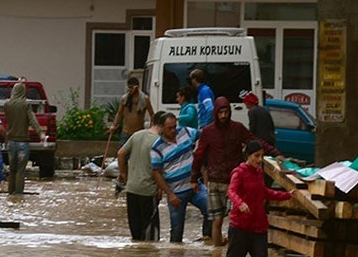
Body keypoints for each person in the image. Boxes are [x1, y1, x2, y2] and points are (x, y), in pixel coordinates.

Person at [191, 96, 285, 247]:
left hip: (234, 181)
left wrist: (275, 153)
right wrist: (194, 179)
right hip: (215, 181)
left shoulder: (238, 128)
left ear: (230, 112)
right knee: (217, 220)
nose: (223, 116)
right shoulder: (208, 132)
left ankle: (232, 250)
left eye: (226, 112)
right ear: (216, 113)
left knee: (234, 219)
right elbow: (199, 155)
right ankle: (217, 254)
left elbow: (255, 142)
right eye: (220, 112)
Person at [224, 140, 294, 257]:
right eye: (256, 156)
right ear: (248, 156)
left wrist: (287, 195)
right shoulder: (239, 172)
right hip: (240, 228)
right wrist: (240, 204)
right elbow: (231, 191)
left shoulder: (259, 173)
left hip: (259, 228)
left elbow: (264, 192)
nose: (260, 159)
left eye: (262, 156)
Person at [151, 113, 210, 243]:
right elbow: (156, 173)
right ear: (161, 128)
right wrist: (170, 194)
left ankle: (208, 239)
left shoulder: (185, 132)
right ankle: (176, 256)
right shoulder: (157, 148)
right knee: (177, 231)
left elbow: (205, 134)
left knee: (211, 210)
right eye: (169, 128)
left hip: (195, 186)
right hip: (176, 193)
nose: (173, 131)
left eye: (174, 127)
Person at [118, 111, 165, 241]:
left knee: (136, 233)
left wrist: (123, 173)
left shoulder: (136, 135)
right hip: (148, 191)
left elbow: (121, 154)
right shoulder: (159, 142)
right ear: (162, 126)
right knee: (150, 236)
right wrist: (161, 189)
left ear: (152, 121)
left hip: (132, 188)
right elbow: (159, 170)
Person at [4, 82, 45, 195]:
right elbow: (32, 120)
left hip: (11, 141)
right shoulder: (25, 105)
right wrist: (40, 133)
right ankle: (18, 194)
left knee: (12, 170)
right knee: (20, 171)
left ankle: (10, 193)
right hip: (23, 142)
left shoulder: (7, 104)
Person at [109, 77, 154, 148]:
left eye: (131, 87)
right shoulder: (124, 99)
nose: (130, 90)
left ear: (137, 87)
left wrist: (152, 128)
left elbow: (152, 115)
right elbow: (119, 113)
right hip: (126, 131)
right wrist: (114, 125)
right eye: (129, 87)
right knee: (122, 152)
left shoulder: (145, 99)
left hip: (139, 132)